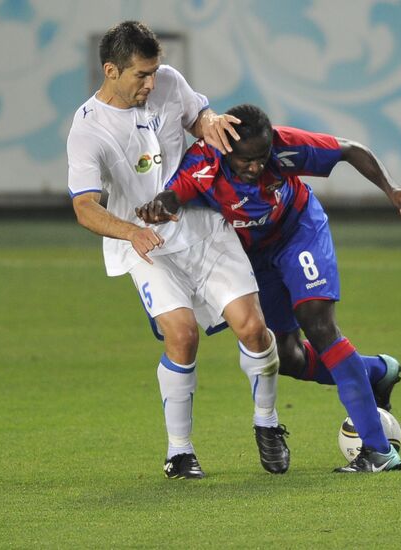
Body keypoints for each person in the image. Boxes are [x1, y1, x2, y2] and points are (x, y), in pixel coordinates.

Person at [137, 103, 401, 473]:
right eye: (246, 161)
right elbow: (173, 195)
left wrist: (390, 187)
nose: (256, 167)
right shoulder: (202, 161)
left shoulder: (283, 146)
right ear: (225, 150)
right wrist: (158, 206)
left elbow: (349, 149)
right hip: (253, 257)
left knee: (319, 323)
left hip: (299, 231)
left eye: (262, 158)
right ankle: (375, 371)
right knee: (286, 357)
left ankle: (378, 451)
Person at [67, 26, 290, 480]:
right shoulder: (87, 129)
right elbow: (85, 207)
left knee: (253, 327)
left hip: (203, 225)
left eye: (153, 73)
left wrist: (210, 123)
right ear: (110, 71)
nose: (151, 84)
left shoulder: (168, 80)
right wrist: (130, 231)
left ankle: (267, 422)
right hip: (146, 246)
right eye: (140, 76)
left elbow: (200, 116)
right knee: (182, 335)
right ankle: (180, 452)